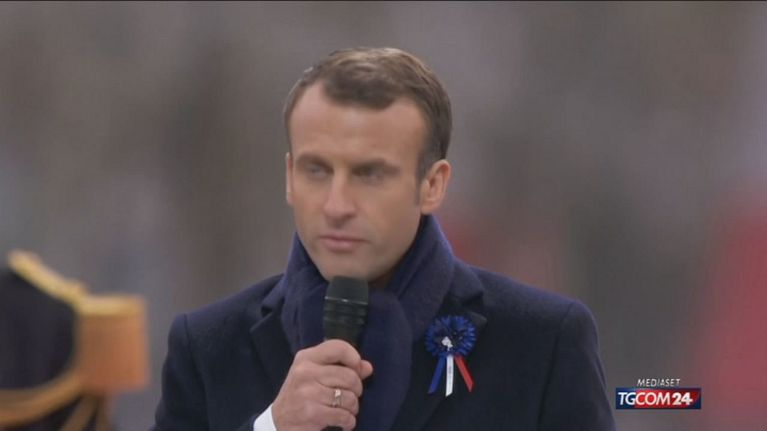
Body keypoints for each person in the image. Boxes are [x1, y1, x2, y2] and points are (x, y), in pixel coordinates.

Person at [152, 47, 615, 431]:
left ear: (432, 185)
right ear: (290, 178)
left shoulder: (543, 342)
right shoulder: (208, 347)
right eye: (317, 170)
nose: (337, 205)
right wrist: (272, 427)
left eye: (369, 174)